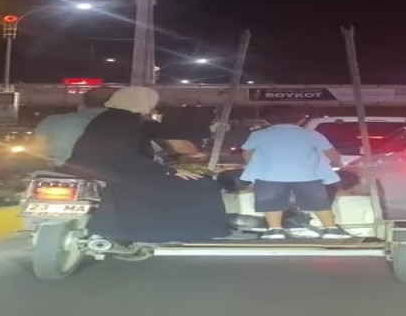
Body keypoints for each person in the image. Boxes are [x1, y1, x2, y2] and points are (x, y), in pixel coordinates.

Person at [63, 86, 234, 243]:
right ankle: (178, 231)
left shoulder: (117, 118)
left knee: (194, 182)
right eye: (151, 102)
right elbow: (124, 157)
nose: (153, 106)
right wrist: (167, 171)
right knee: (203, 185)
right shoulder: (124, 123)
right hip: (116, 172)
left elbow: (160, 131)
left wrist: (210, 129)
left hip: (108, 168)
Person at [240, 105, 352, 239]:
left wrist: (251, 164)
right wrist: (336, 164)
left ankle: (275, 230)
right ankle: (331, 229)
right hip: (308, 175)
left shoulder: (259, 135)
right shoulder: (312, 134)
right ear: (301, 120)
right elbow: (331, 152)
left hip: (269, 175)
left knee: (271, 203)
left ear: (267, 120)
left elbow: (247, 152)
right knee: (318, 202)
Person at [32, 86, 117, 167]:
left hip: (54, 171)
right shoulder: (119, 125)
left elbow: (37, 150)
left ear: (82, 104)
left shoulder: (51, 121)